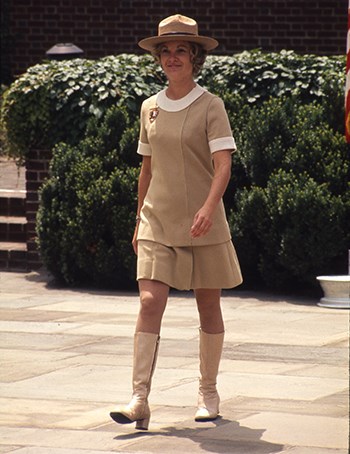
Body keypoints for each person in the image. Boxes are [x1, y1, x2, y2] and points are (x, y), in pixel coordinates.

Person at [110, 13, 242, 430]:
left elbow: (223, 165)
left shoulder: (211, 106)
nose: (172, 57)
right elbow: (146, 171)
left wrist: (208, 207)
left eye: (180, 50)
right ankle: (139, 398)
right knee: (149, 303)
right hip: (155, 222)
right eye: (165, 51)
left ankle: (207, 391)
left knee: (208, 306)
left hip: (202, 222)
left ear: (195, 56)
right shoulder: (149, 107)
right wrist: (137, 219)